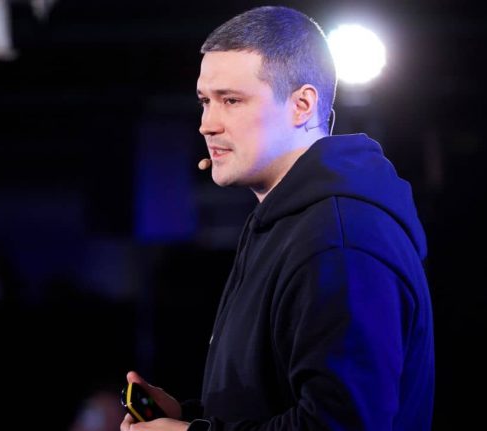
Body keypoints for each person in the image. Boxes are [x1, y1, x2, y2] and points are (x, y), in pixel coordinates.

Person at [121, 5, 434, 431]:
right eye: (205, 102)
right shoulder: (294, 222)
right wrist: (190, 418)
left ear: (302, 105)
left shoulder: (339, 239)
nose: (207, 124)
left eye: (231, 100)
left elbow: (341, 425)